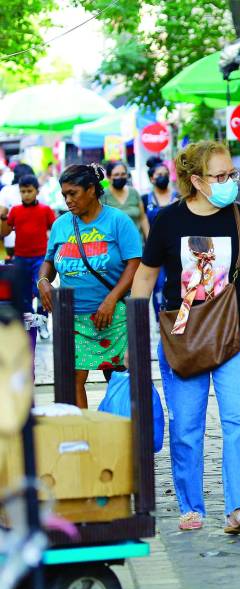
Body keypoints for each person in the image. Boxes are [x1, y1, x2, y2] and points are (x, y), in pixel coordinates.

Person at [131, 141, 240, 535]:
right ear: (196, 181)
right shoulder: (168, 221)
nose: (228, 181)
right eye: (219, 176)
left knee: (239, 419)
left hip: (236, 331)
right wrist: (134, 336)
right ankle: (191, 506)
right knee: (186, 425)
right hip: (182, 335)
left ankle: (239, 507)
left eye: (231, 174)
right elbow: (145, 276)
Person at [38, 164, 142, 409]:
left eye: (73, 193)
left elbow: (134, 264)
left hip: (112, 316)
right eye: (64, 195)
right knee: (73, 379)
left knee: (118, 379)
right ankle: (83, 437)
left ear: (92, 190)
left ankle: (121, 437)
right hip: (71, 316)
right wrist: (43, 281)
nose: (68, 200)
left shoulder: (118, 221)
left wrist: (111, 299)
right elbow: (49, 262)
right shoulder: (61, 225)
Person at [0, 174, 56, 337]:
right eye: (23, 191)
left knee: (40, 292)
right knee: (23, 296)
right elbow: (4, 232)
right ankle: (30, 328)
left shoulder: (45, 210)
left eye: (29, 191)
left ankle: (42, 325)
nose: (26, 194)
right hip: (21, 258)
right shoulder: (15, 211)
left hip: (40, 258)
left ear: (37, 191)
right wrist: (3, 218)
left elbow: (54, 230)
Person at [141, 157, 177, 314]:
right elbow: (143, 224)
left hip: (175, 248)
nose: (162, 177)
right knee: (159, 284)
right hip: (154, 249)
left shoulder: (178, 197)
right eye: (158, 174)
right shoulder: (145, 200)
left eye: (165, 173)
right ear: (151, 178)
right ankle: (160, 317)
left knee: (175, 282)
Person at [0, 163, 36, 261]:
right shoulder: (35, 191)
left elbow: (1, 213)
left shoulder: (6, 191)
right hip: (34, 243)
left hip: (11, 241)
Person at [104, 161, 148, 237]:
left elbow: (143, 218)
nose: (120, 177)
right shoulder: (103, 196)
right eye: (116, 175)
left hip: (137, 243)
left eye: (123, 174)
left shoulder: (134, 193)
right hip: (114, 244)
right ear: (109, 177)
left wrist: (149, 239)